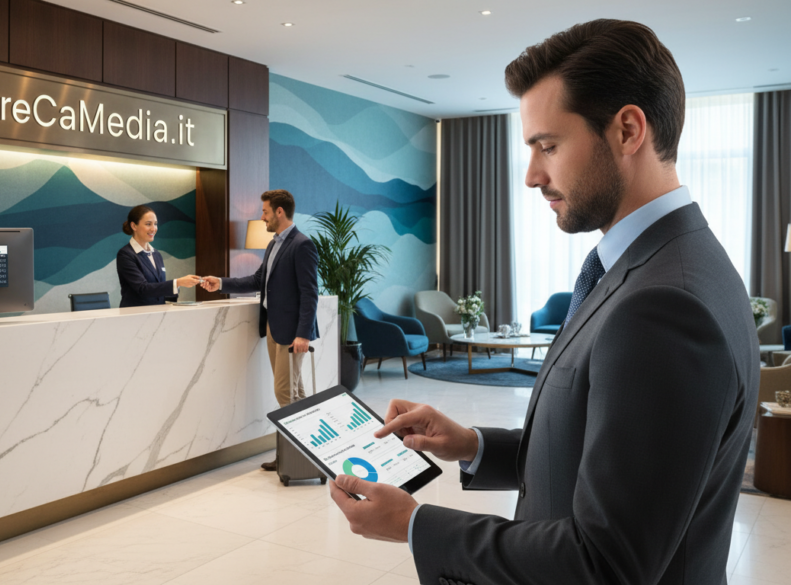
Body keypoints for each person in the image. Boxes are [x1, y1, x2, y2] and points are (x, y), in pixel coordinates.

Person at [329, 19, 757, 585]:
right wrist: (472, 444)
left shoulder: (662, 306)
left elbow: (604, 563)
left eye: (548, 146)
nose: (532, 176)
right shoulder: (678, 259)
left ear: (628, 130)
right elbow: (604, 445)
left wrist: (415, 525)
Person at [201, 190, 319, 472]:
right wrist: (221, 283)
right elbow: (258, 280)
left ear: (279, 212)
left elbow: (309, 293)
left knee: (284, 393)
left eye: (265, 211)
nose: (262, 216)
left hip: (292, 334)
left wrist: (303, 334)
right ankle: (303, 453)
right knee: (295, 393)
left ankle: (295, 458)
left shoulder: (302, 244)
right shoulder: (273, 244)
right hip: (274, 328)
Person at [116, 205, 201, 308]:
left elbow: (158, 288)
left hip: (158, 315)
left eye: (155, 224)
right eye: (148, 224)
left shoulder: (156, 254)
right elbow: (142, 289)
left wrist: (178, 286)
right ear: (134, 226)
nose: (153, 229)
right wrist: (177, 282)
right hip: (135, 316)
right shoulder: (125, 254)